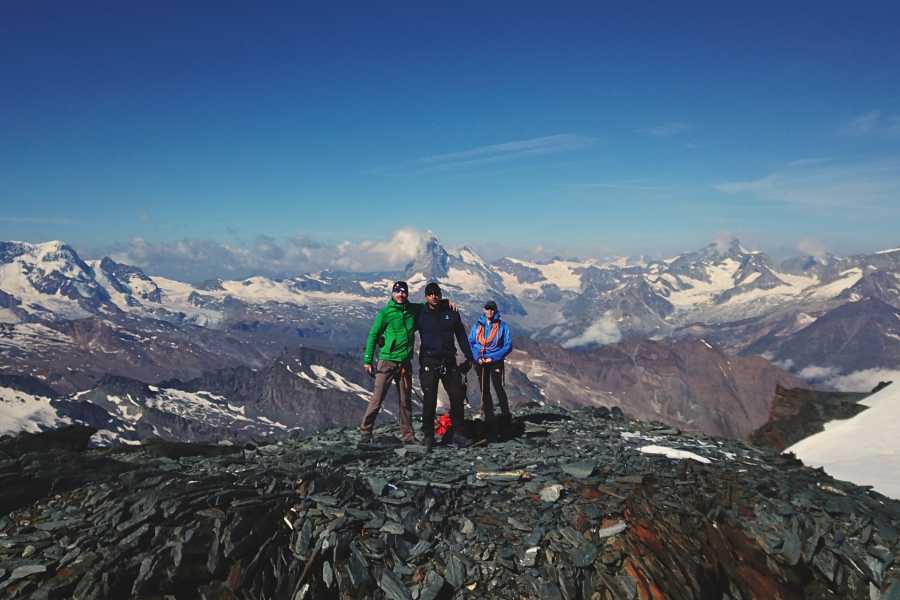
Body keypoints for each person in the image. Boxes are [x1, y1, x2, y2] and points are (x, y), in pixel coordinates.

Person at [359, 280, 420, 446]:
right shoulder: (385, 313)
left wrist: (446, 302)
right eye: (398, 292)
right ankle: (365, 433)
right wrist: (367, 359)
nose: (401, 295)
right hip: (387, 361)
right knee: (377, 399)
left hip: (404, 363)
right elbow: (373, 335)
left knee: (405, 401)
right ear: (393, 293)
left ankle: (408, 436)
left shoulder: (412, 310)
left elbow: (429, 304)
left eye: (404, 292)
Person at [417, 281, 475, 451]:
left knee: (457, 396)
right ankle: (428, 435)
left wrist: (469, 356)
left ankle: (458, 433)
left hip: (448, 361)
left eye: (436, 294)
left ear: (440, 295)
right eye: (430, 294)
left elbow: (461, 335)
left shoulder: (451, 313)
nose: (434, 297)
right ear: (426, 297)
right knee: (429, 399)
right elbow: (404, 330)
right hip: (429, 361)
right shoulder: (420, 314)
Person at [468, 300, 512, 437]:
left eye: (492, 309)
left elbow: (508, 345)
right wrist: (477, 357)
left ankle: (505, 415)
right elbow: (471, 343)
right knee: (484, 388)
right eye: (487, 309)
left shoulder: (503, 326)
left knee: (498, 386)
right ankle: (489, 416)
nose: (490, 311)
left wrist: (493, 357)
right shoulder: (477, 326)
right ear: (484, 310)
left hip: (495, 361)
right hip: (480, 360)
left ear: (495, 311)